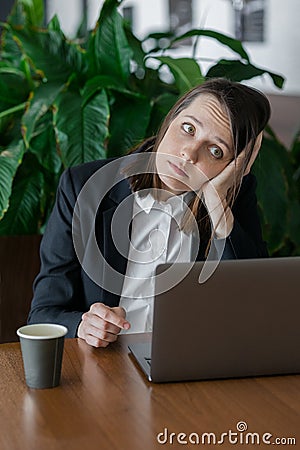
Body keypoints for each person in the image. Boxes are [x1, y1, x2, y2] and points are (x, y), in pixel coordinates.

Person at [28, 78, 271, 348]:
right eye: (188, 128)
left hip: (190, 370)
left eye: (216, 151)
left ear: (234, 167)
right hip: (104, 368)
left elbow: (254, 308)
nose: (189, 154)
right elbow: (43, 314)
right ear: (170, 120)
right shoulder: (85, 187)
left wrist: (217, 204)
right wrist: (84, 325)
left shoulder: (231, 198)